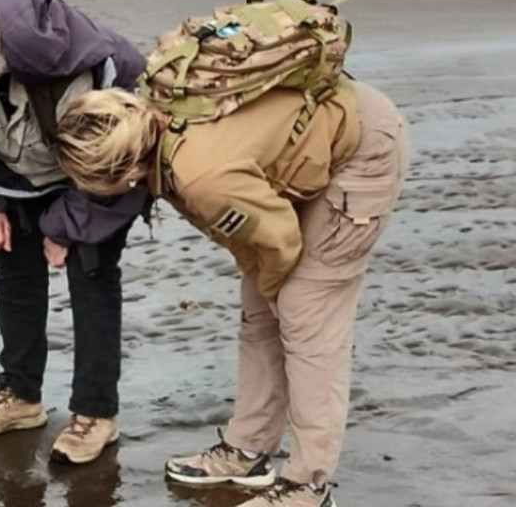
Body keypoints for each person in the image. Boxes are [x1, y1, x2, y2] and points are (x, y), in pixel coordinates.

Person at [55, 70, 409, 504]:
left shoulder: (199, 177)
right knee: (260, 310)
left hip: (363, 148)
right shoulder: (154, 126)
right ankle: (248, 450)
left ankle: (308, 486)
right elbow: (256, 241)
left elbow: (280, 243)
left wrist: (282, 302)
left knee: (307, 321)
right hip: (303, 152)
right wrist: (267, 294)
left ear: (125, 174)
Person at [0, 0, 149, 464]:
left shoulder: (80, 72)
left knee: (91, 278)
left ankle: (96, 413)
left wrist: (63, 227)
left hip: (95, 178)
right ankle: (21, 397)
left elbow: (114, 169)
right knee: (13, 272)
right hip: (14, 173)